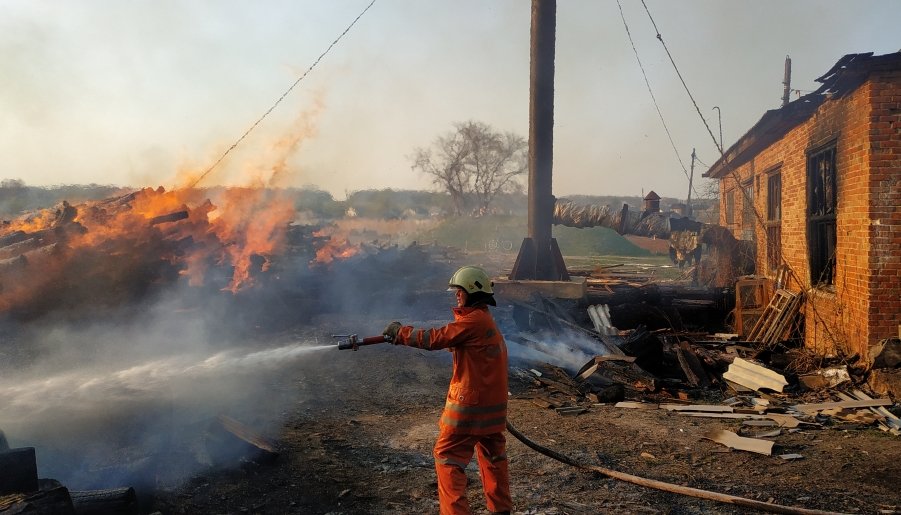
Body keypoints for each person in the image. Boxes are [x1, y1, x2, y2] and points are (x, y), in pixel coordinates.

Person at [383, 265, 512, 515]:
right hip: (491, 411)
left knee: (447, 456)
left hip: (470, 407)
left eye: (459, 291)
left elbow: (435, 338)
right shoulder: (484, 320)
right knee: (493, 458)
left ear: (472, 292)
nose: (456, 295)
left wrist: (400, 333)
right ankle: (501, 509)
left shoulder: (473, 321)